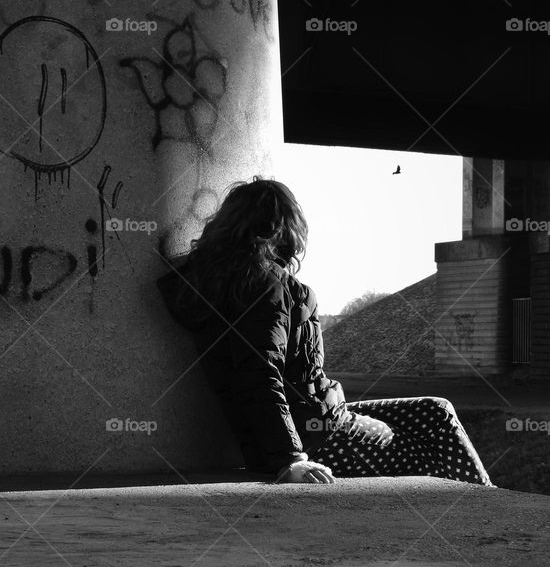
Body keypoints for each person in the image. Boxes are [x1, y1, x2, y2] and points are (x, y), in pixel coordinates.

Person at [157, 177, 494, 486]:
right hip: (316, 437)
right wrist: (290, 459)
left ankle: (484, 500)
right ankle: (486, 505)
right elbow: (259, 371)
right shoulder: (266, 284)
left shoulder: (214, 282)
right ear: (283, 229)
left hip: (316, 419)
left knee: (436, 409)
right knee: (429, 443)